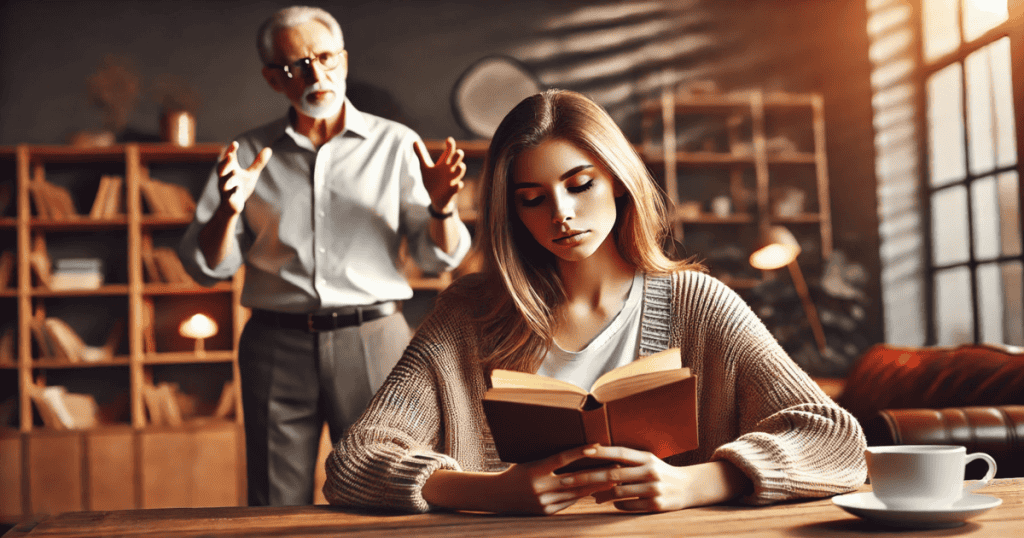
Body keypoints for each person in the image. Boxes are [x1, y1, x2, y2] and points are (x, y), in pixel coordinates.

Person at [322, 89, 867, 515]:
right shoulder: (469, 313)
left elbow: (836, 442)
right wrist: (493, 491)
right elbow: (354, 463)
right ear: (512, 213)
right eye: (532, 199)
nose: (559, 213)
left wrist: (696, 482)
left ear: (619, 182)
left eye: (579, 184)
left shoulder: (696, 304)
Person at [178, 5, 471, 506]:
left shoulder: (397, 145)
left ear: (344, 60)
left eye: (326, 57)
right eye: (296, 66)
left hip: (375, 338)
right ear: (274, 79)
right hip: (275, 342)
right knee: (274, 498)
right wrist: (228, 210)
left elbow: (436, 259)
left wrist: (443, 206)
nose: (317, 74)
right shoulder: (247, 153)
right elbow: (207, 268)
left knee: (389, 487)